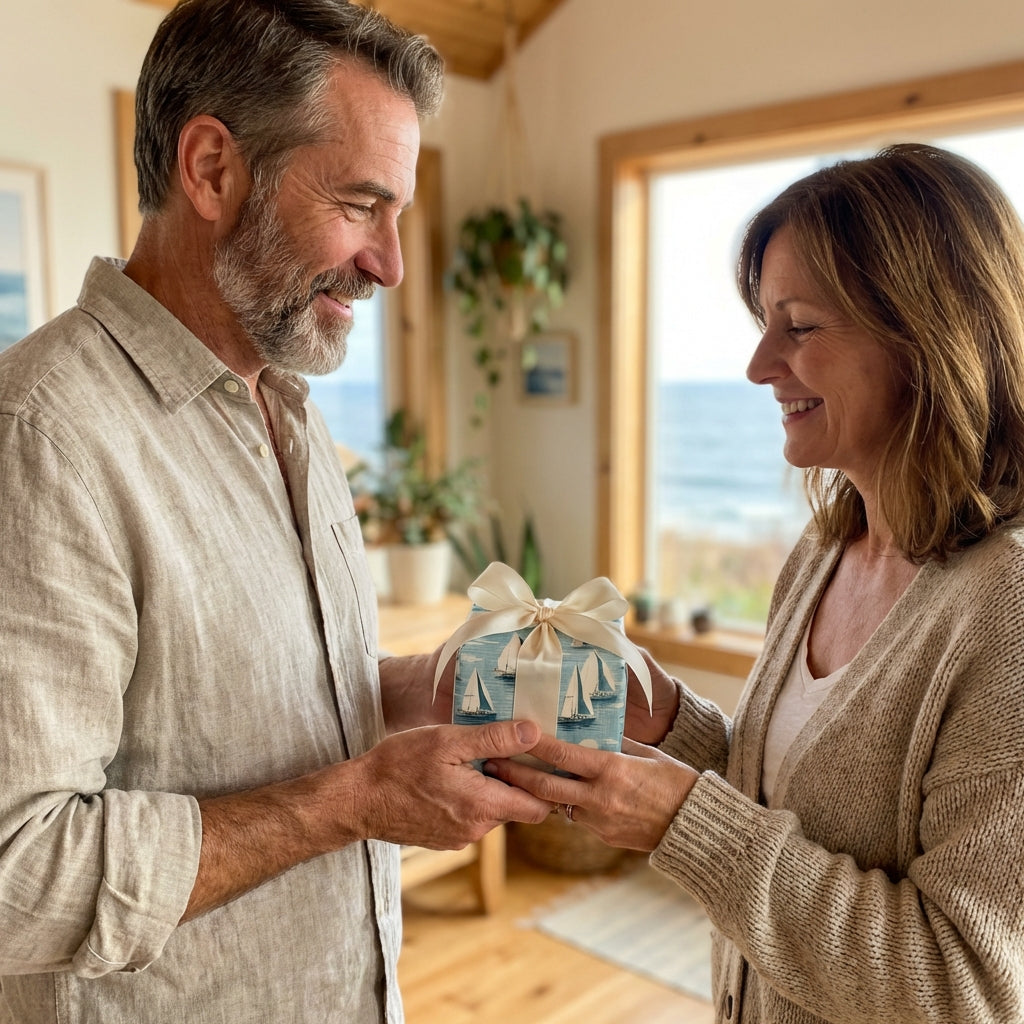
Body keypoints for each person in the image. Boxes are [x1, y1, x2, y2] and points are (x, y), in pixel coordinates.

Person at [0, 2, 552, 1022]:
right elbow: (16, 875)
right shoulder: (42, 436)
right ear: (210, 167)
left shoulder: (291, 412)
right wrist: (354, 801)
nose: (389, 261)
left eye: (399, 215)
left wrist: (417, 686)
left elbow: (238, 708)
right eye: (359, 203)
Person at [490, 144, 1024, 1023]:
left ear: (925, 334)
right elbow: (796, 804)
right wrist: (671, 721)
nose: (758, 365)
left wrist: (685, 825)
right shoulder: (826, 547)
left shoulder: (1003, 615)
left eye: (800, 326)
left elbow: (969, 988)